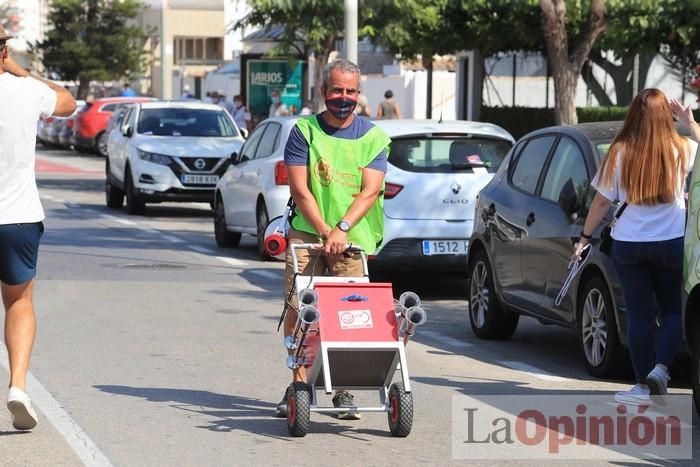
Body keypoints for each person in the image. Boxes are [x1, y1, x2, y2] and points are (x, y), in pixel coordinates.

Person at [276, 59, 391, 420]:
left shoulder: (374, 138)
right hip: (308, 236)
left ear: (359, 94)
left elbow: (370, 191)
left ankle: (342, 391)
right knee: (300, 311)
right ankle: (299, 386)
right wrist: (326, 232)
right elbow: (301, 188)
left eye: (351, 91)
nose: (344, 98)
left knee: (352, 315)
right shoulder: (304, 131)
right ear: (324, 92)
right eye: (337, 90)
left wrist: (341, 230)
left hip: (350, 240)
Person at [574, 88, 698, 406]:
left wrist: (585, 238)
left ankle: (642, 386)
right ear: (664, 117)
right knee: (671, 311)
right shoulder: (683, 147)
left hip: (629, 246)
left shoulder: (620, 151)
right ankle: (661, 369)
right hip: (671, 243)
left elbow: (602, 201)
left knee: (640, 316)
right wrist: (689, 122)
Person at [0, 26, 76, 430]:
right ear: (4, 51)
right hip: (18, 218)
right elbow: (68, 103)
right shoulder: (26, 91)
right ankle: (17, 387)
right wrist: (22, 71)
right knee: (18, 302)